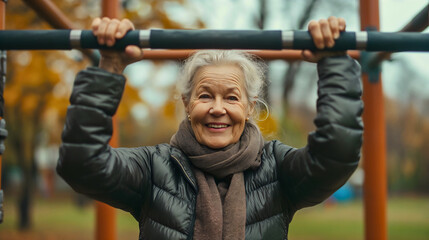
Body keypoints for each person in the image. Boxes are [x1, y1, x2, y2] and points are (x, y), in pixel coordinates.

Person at [57, 16, 363, 240]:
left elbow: (335, 155)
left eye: (231, 97)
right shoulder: (155, 168)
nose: (218, 108)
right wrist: (109, 67)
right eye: (205, 95)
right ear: (188, 104)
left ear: (249, 107)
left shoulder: (277, 168)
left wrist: (334, 63)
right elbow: (82, 165)